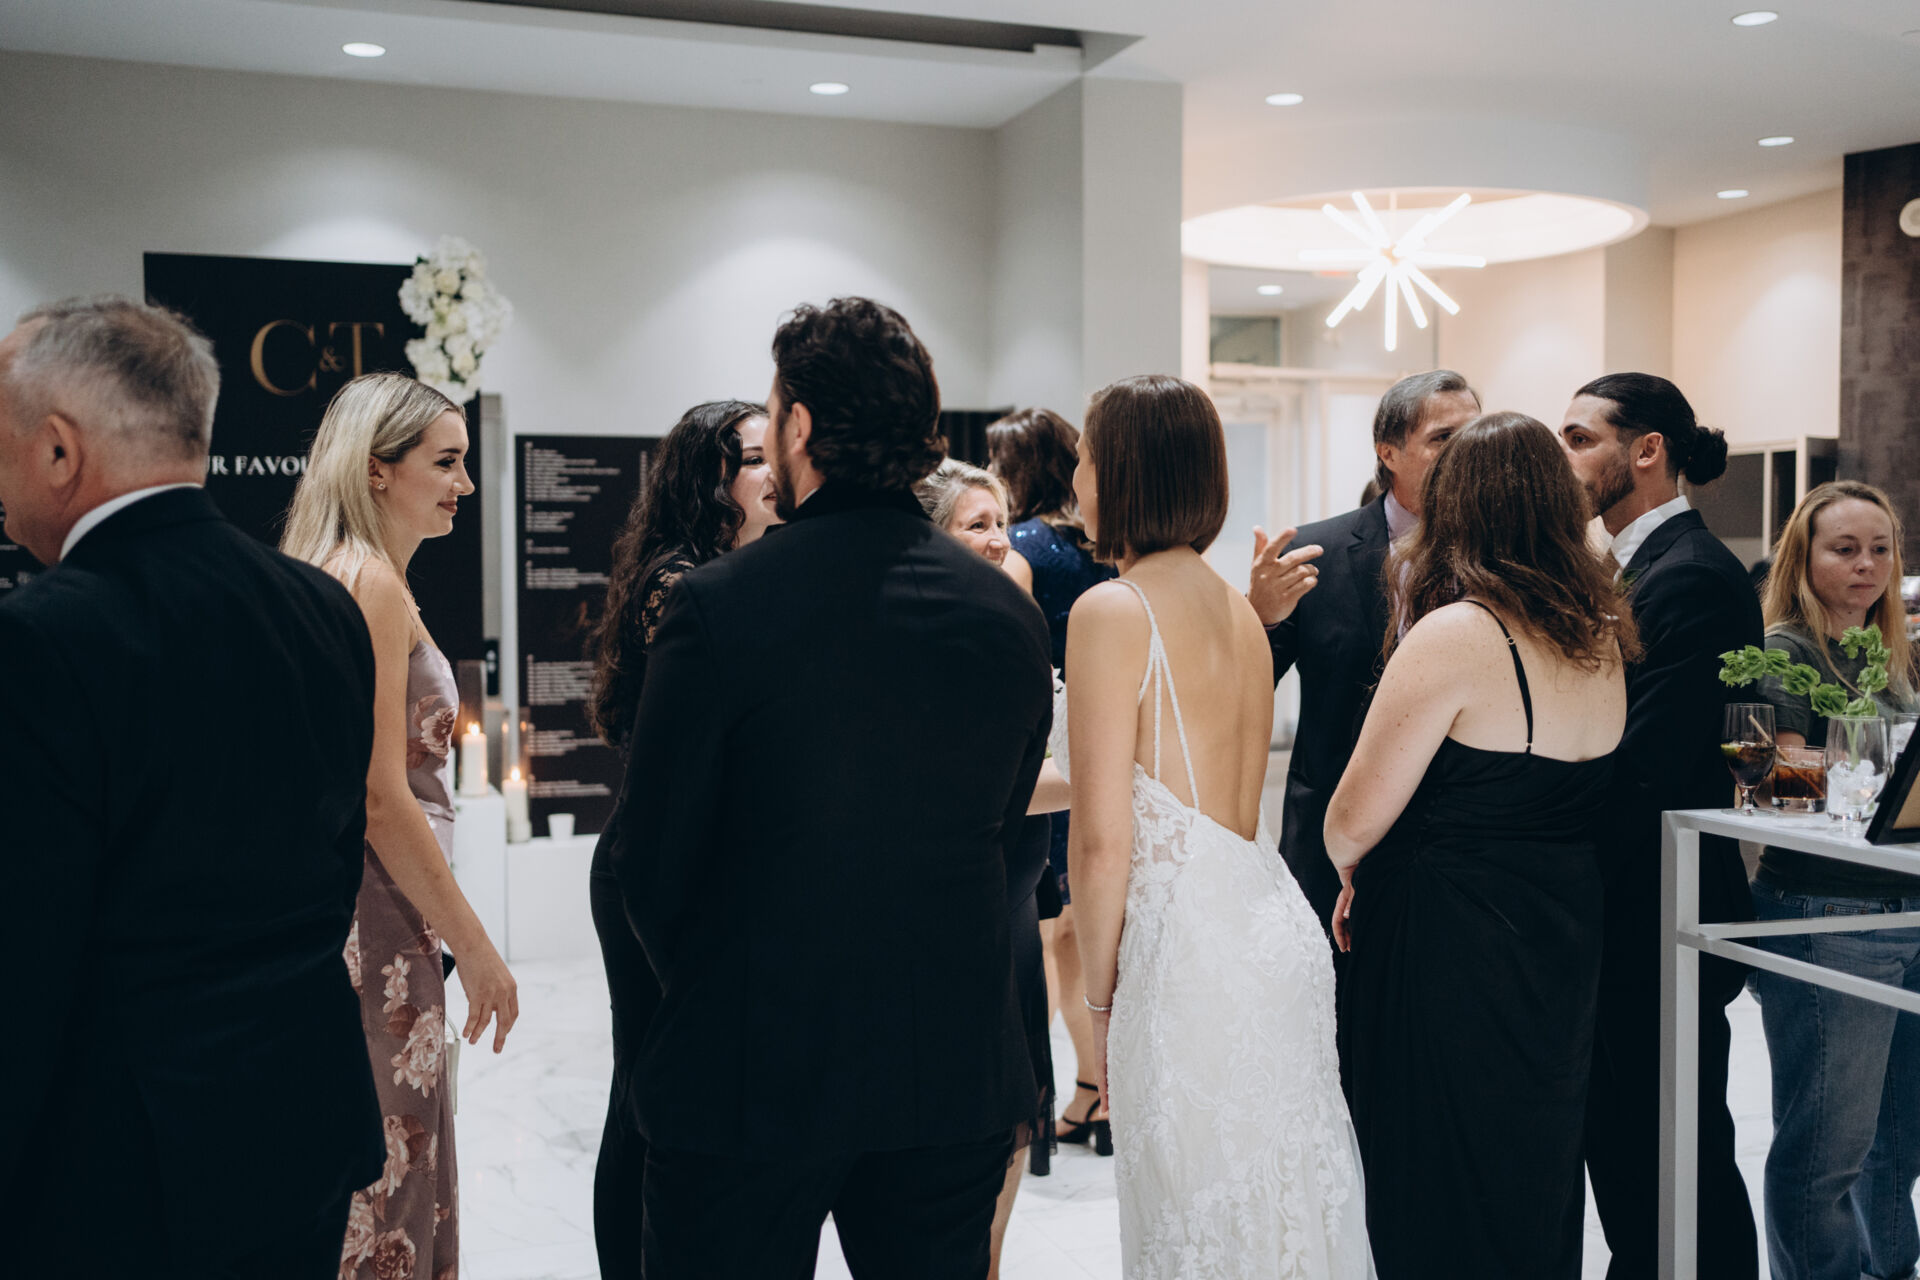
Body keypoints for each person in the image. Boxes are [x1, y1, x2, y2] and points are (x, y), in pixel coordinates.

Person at [612, 297, 1053, 1279]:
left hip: (753, 1060)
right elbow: (1002, 812)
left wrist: (721, 979)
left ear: (801, 426)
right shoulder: (1006, 615)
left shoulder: (720, 605)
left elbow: (653, 858)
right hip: (947, 1058)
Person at [0, 297, 384, 1276]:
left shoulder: (41, 637)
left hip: (118, 1166)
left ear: (58, 450)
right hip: (303, 1123)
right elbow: (333, 872)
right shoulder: (320, 608)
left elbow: (25, 951)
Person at [1062, 373, 1373, 1279]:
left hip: (1188, 961)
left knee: (1195, 1215)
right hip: (1272, 936)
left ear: (1124, 470)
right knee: (1277, 1208)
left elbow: (1101, 841)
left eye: (1084, 457)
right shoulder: (1240, 612)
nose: (1076, 477)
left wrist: (1096, 1003)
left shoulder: (1112, 610)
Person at [1326, 412, 1635, 1279]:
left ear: (1459, 508)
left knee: (1433, 1162)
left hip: (1450, 938)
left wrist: (1353, 865)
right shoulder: (1601, 631)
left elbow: (1348, 821)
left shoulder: (1460, 632)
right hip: (1562, 927)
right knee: (1531, 1158)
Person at [283, 371, 520, 1280]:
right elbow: (381, 795)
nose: (465, 483)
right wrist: (477, 947)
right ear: (377, 469)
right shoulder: (373, 586)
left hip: (348, 909)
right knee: (388, 1180)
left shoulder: (327, 574)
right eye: (447, 462)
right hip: (378, 918)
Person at [1559, 371, 1760, 1279]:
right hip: (1633, 915)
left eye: (1579, 439)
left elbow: (1646, 769)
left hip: (1660, 917)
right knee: (1635, 1158)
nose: (1563, 459)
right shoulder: (1632, 564)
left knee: (1677, 1165)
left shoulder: (1693, 577)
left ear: (1646, 451)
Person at [582, 398, 774, 1278]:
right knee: (643, 1084)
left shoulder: (738, 571)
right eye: (754, 459)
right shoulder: (679, 581)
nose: (774, 473)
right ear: (711, 478)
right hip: (652, 862)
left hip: (706, 861)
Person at [1745, 481, 1920, 1280]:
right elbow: (1784, 786)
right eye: (1845, 549)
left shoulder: (1893, 655)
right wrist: (1866, 768)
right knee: (1827, 1151)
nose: (1866, 565)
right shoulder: (1783, 650)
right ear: (1803, 556)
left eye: (1880, 549)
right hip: (1827, 912)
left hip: (1905, 903)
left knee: (1899, 1143)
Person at [1249, 370, 1479, 958]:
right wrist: (1260, 618)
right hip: (1332, 839)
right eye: (1443, 438)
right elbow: (1243, 692)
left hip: (1464, 846)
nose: (1466, 452)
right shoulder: (1316, 556)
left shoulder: (1505, 558)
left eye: (1474, 434)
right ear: (1389, 452)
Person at [915, 457, 1053, 1278]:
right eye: (978, 525)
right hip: (970, 887)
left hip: (1021, 885)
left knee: (1018, 1104)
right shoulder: (934, 635)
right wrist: (1114, 769)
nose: (1001, 540)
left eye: (1002, 522)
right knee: (974, 1108)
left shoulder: (1015, 617)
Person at [987, 406, 1116, 1152]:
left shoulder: (1024, 550)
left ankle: (1061, 1095)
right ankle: (1093, 1089)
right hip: (1100, 744)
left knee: (1046, 937)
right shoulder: (1103, 548)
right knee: (1085, 926)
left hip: (1044, 749)